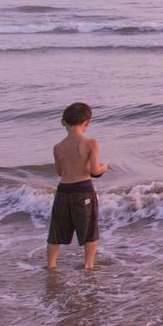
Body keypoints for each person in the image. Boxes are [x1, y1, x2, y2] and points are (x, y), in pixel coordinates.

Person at [47, 101, 107, 269]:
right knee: (89, 230)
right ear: (87, 122)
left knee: (56, 230)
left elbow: (60, 172)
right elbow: (95, 171)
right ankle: (88, 264)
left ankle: (51, 265)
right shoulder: (91, 143)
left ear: (63, 122)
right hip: (83, 190)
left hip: (63, 192)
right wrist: (105, 167)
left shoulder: (57, 147)